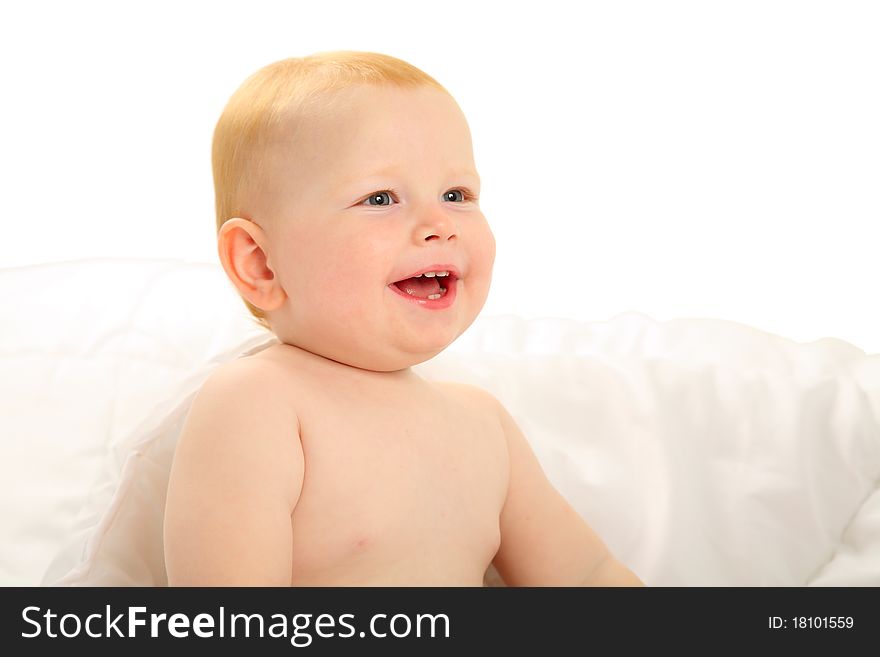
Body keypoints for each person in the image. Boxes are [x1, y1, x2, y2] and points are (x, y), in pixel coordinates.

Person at [163, 50, 643, 587]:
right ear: (260, 263)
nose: (439, 223)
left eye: (457, 194)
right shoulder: (259, 402)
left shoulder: (483, 425)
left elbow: (588, 577)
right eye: (381, 197)